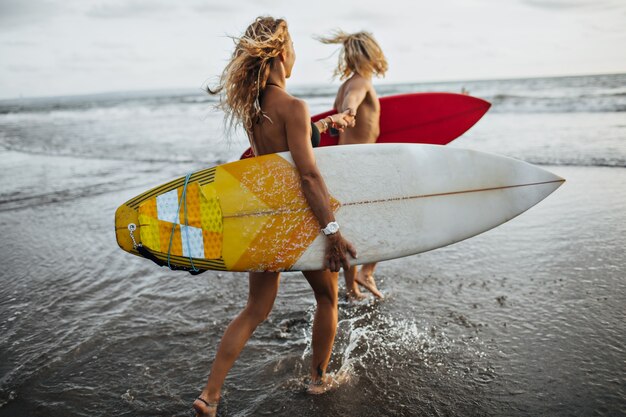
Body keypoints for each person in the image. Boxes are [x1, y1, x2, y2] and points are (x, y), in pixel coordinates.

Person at [192, 17, 357, 417]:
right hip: (300, 223)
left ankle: (209, 396)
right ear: (283, 54)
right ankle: (319, 379)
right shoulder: (294, 106)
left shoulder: (254, 110)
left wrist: (322, 126)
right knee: (326, 297)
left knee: (254, 311)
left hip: (266, 223)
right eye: (295, 47)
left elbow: (277, 156)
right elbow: (307, 175)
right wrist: (332, 232)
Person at [318, 31, 388, 301]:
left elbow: (336, 129)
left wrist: (342, 118)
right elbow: (353, 102)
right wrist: (350, 112)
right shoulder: (361, 83)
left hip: (345, 165)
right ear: (372, 54)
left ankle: (352, 289)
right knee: (386, 216)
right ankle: (366, 272)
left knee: (354, 225)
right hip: (361, 164)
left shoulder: (345, 84)